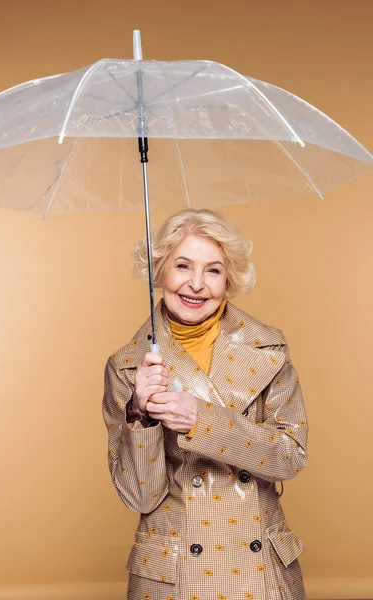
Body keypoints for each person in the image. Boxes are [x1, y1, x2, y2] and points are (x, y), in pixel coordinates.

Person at [102, 208, 308, 600]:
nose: (196, 284)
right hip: (174, 571)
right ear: (159, 270)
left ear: (229, 278)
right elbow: (139, 497)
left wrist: (201, 420)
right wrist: (141, 415)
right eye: (182, 266)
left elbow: (291, 457)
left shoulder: (268, 349)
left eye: (213, 270)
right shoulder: (128, 367)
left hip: (259, 567)